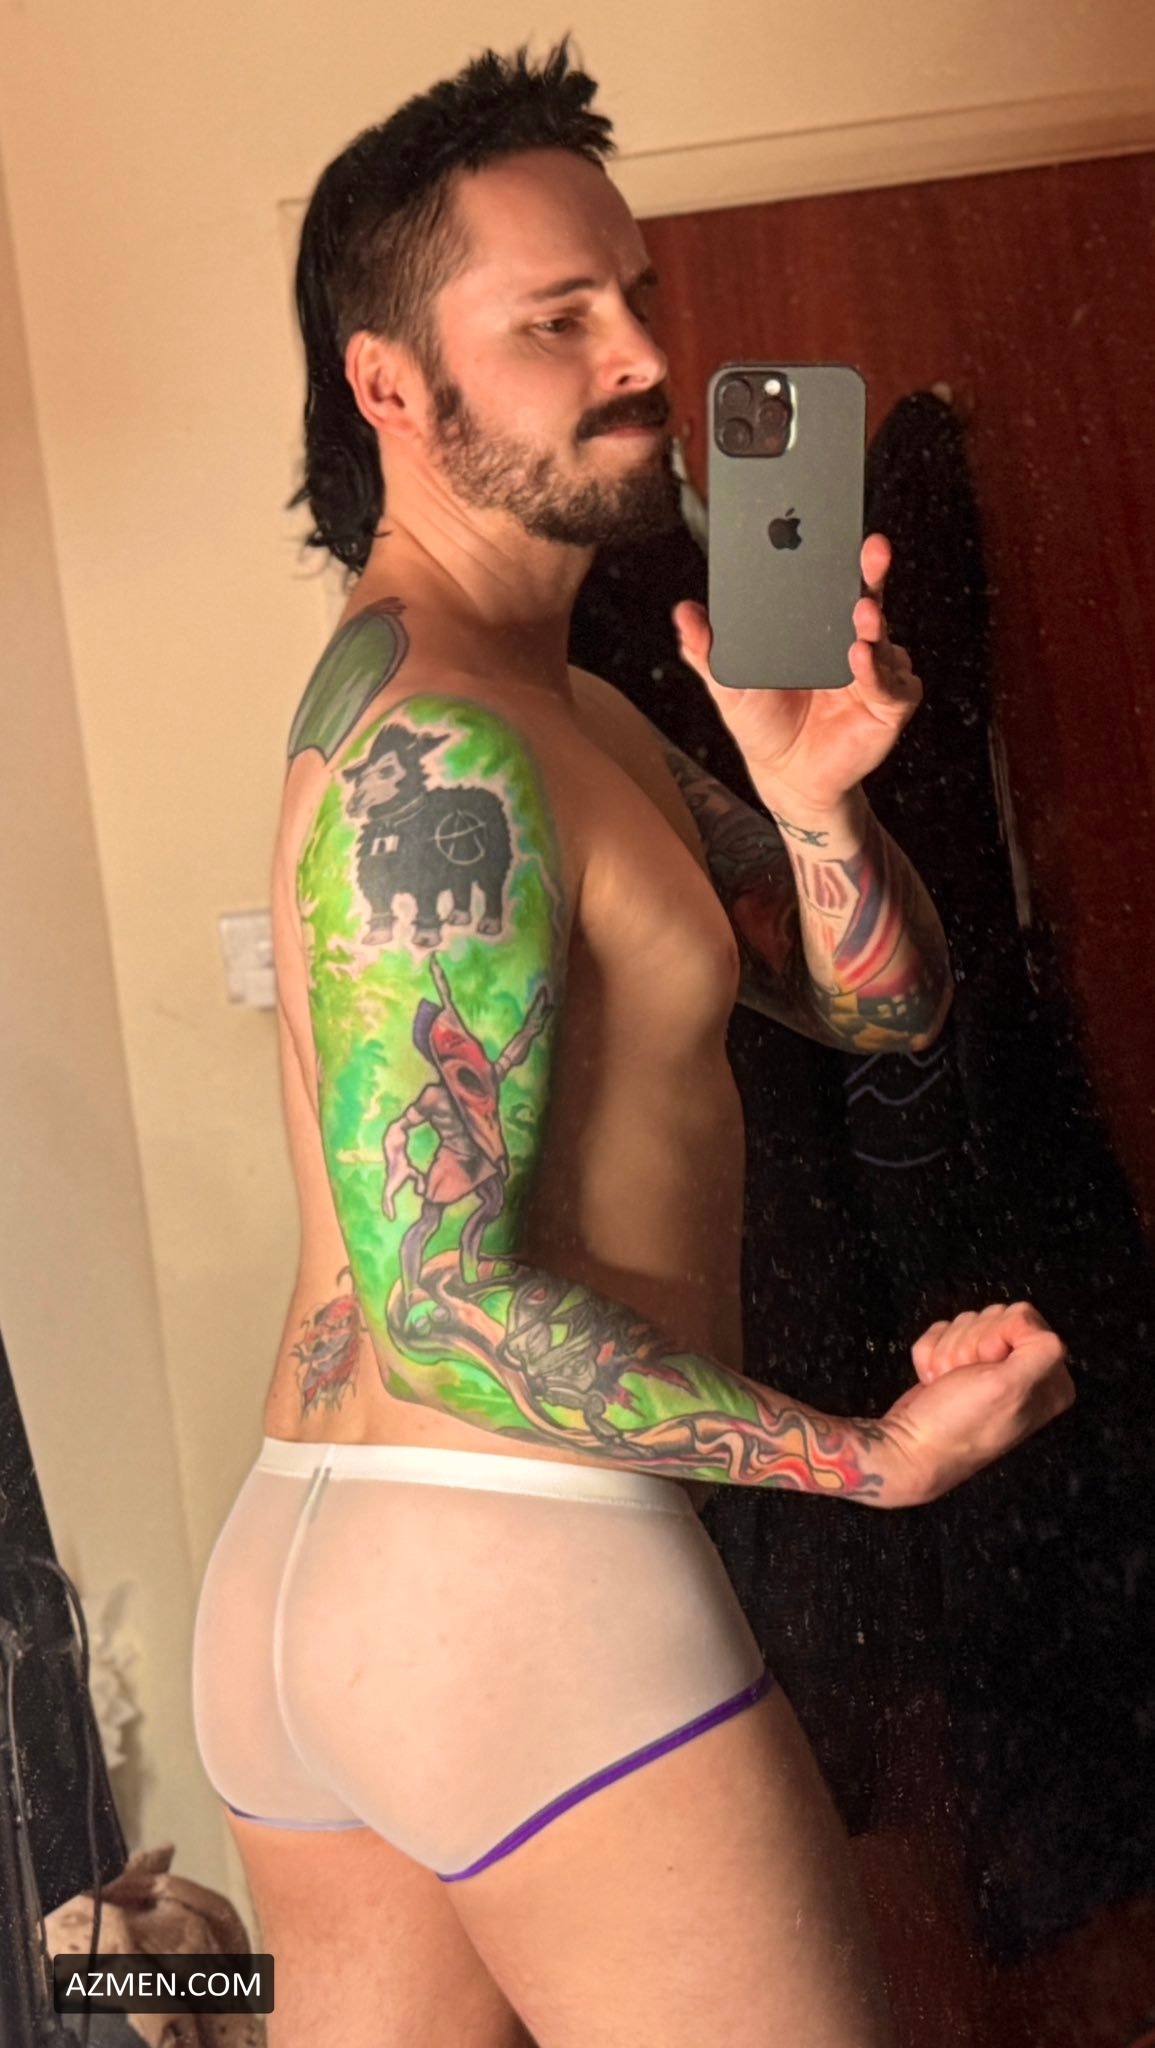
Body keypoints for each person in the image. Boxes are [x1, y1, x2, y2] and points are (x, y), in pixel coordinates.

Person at [191, 40, 1074, 2048]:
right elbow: (438, 1302)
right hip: (513, 1572)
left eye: (638, 296)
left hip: (316, 1588)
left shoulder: (557, 709)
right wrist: (866, 1459)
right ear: (388, 387)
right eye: (556, 318)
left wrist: (814, 800)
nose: (642, 354)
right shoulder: (447, 746)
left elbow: (875, 1004)